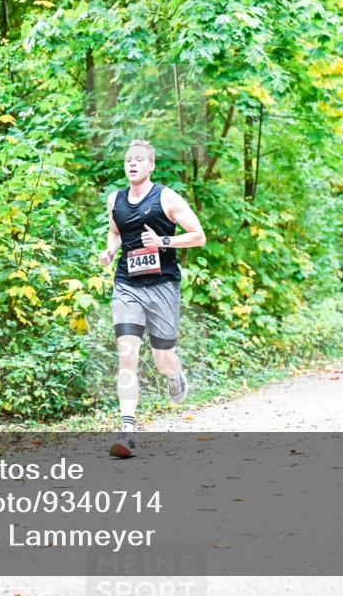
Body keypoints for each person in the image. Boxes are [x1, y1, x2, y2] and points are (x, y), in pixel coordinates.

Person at [99, 140, 206, 458]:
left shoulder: (167, 198)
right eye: (128, 159)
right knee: (127, 354)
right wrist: (110, 251)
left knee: (162, 358)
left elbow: (199, 235)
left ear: (151, 166)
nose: (132, 164)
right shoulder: (114, 200)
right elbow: (116, 232)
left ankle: (175, 373)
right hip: (127, 284)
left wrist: (163, 240)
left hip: (162, 285)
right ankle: (127, 431)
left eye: (139, 160)